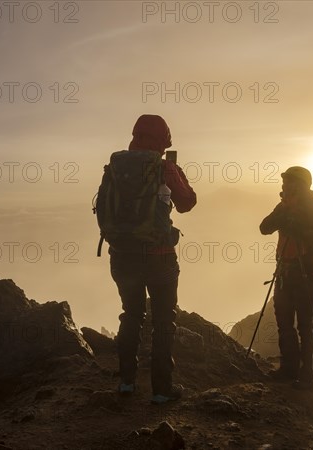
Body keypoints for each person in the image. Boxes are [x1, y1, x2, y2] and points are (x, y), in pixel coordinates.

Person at [107, 114, 196, 403]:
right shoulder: (164, 167)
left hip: (122, 256)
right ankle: (161, 390)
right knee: (163, 322)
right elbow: (187, 203)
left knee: (131, 315)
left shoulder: (116, 166)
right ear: (164, 140)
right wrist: (173, 174)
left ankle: (127, 384)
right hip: (160, 258)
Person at [259, 166, 313, 390]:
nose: (284, 184)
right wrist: (283, 215)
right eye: (284, 181)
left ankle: (307, 375)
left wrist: (296, 224)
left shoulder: (311, 207)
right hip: (287, 269)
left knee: (304, 324)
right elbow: (264, 228)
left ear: (300, 184)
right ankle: (290, 369)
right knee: (285, 322)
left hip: (305, 271)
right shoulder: (284, 206)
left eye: (288, 181)